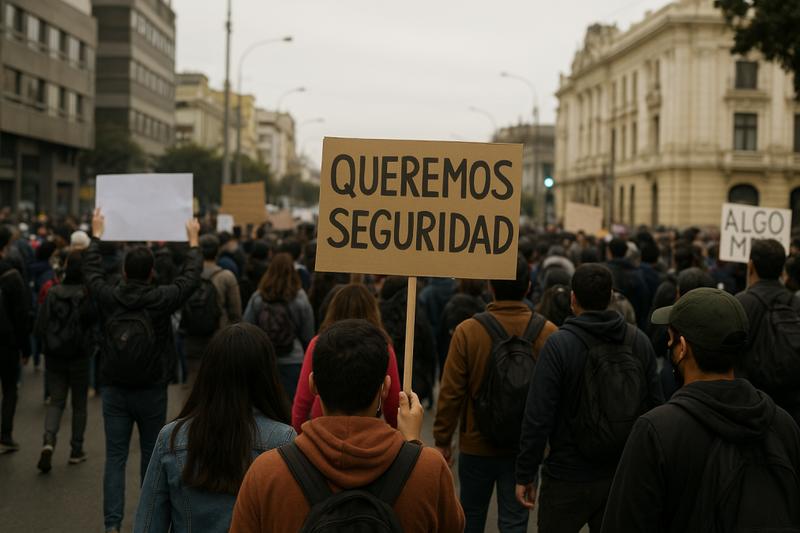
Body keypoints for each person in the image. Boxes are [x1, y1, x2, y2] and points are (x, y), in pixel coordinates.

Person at [229, 319, 465, 532]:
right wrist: (413, 443)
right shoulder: (430, 471)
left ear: (313, 385)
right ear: (385, 388)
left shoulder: (266, 474)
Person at [602, 288, 800, 532]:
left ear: (682, 347)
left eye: (670, 338)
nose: (668, 344)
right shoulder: (782, 424)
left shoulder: (656, 431)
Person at [515, 264, 664, 533]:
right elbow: (655, 408)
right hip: (620, 474)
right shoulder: (638, 341)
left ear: (573, 299)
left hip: (566, 475)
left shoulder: (559, 345)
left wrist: (526, 473)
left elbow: (539, 415)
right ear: (610, 297)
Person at [85, 209, 202, 533]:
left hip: (115, 388)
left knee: (115, 457)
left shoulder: (110, 296)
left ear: (123, 271)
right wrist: (193, 243)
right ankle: (147, 523)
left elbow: (91, 273)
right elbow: (189, 280)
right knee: (152, 459)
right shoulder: (160, 299)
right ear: (152, 272)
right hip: (151, 388)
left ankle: (112, 526)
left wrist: (96, 236)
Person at [434, 257, 558, 533]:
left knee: (471, 516)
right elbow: (555, 396)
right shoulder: (549, 333)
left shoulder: (468, 331)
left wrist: (443, 439)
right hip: (525, 448)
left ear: (490, 286)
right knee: (515, 522)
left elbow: (451, 392)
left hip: (476, 444)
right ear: (528, 287)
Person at [134, 324, 295, 532]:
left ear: (208, 373)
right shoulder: (283, 440)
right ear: (267, 375)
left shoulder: (172, 438)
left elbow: (148, 524)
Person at [292, 283, 400, 433]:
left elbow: (302, 402)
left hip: (322, 429)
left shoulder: (319, 343)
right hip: (366, 431)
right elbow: (393, 404)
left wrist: (299, 437)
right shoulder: (383, 346)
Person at [34, 251, 94, 472]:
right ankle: (76, 449)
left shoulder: (53, 292)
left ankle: (48, 440)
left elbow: (40, 325)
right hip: (79, 356)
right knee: (79, 404)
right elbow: (93, 324)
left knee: (56, 401)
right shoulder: (86, 294)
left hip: (55, 356)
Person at [736, 238, 800, 425]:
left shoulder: (741, 303)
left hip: (752, 406)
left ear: (751, 266)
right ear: (782, 269)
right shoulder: (795, 302)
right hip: (791, 406)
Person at [243, 252, 314, 401]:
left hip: (263, 360)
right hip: (293, 360)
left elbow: (246, 327)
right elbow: (307, 334)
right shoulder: (300, 297)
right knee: (289, 406)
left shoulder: (258, 296)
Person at [182, 234, 242, 380]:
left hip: (192, 336)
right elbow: (236, 312)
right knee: (220, 382)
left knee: (195, 381)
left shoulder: (188, 275)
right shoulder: (226, 276)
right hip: (220, 336)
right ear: (217, 251)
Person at [0, 225, 31, 453]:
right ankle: (5, 435)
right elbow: (21, 315)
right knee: (10, 388)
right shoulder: (11, 275)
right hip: (6, 342)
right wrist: (26, 348)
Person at [605, 237, 651, 330]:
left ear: (609, 252)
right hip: (632, 325)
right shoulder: (637, 273)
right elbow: (644, 301)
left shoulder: (604, 272)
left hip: (608, 325)